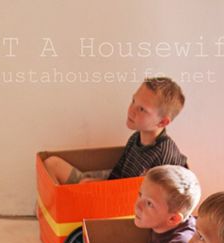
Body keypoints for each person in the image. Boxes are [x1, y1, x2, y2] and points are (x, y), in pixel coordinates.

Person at [44, 77, 187, 185]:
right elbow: (118, 174)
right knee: (52, 163)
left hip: (132, 207)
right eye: (133, 101)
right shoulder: (135, 138)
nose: (131, 110)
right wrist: (96, 184)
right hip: (116, 189)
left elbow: (157, 201)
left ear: (162, 122)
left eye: (142, 109)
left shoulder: (163, 156)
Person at [125, 164, 201, 243]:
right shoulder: (159, 222)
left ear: (173, 219)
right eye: (140, 194)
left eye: (149, 203)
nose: (137, 205)